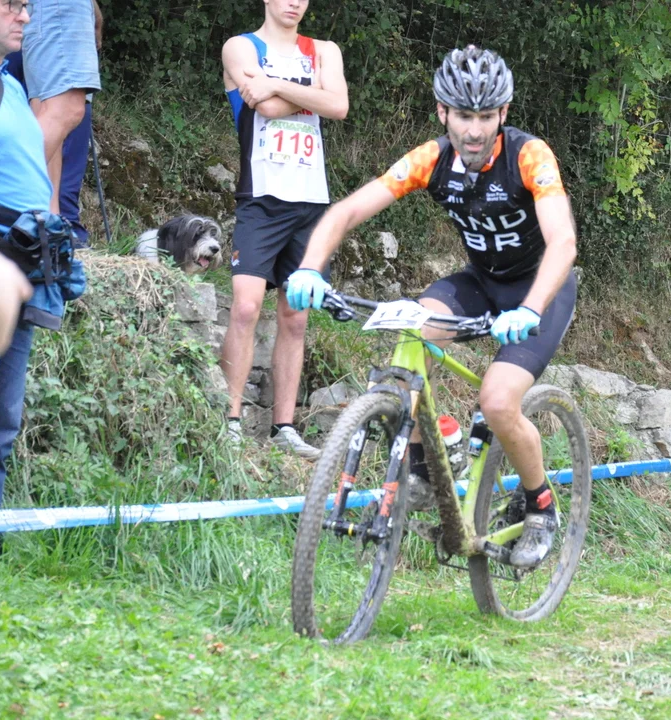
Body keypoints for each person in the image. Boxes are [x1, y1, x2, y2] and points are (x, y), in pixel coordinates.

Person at [286, 46, 579, 568]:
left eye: (486, 117)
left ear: (503, 114)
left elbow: (563, 242)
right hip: (480, 282)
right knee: (412, 336)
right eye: (463, 115)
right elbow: (346, 211)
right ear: (443, 112)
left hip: (541, 290)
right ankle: (423, 468)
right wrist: (309, 268)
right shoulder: (431, 159)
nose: (474, 130)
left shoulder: (529, 156)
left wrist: (531, 309)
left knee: (497, 401)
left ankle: (540, 507)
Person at [219, 0, 348, 458]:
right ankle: (230, 421)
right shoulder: (240, 47)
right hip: (261, 194)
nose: (295, 2)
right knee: (245, 306)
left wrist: (275, 83)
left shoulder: (324, 49)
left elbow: (339, 106)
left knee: (296, 316)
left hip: (311, 201)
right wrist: (312, 91)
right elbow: (269, 108)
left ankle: (284, 427)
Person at [0, 0, 61, 554]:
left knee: (2, 419)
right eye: (10, 5)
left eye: (25, 6)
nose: (24, 17)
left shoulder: (11, 86)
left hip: (26, 267)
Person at [21, 0, 101, 215]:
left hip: (56, 9)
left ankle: (47, 219)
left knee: (47, 111)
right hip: (61, 7)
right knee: (66, 109)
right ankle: (5, 194)